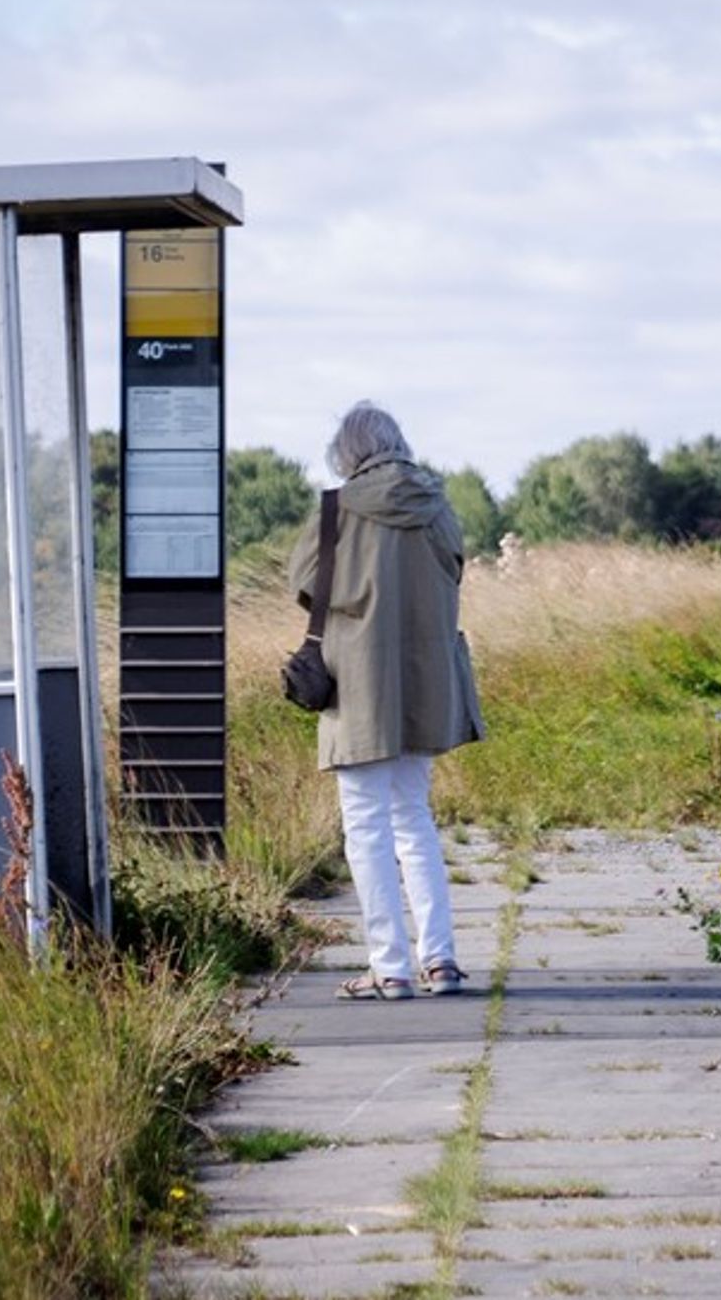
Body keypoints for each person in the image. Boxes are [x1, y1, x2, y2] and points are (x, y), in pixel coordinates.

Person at [287, 401, 485, 1000]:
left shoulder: (337, 510)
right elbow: (455, 570)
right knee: (414, 818)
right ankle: (440, 961)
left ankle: (389, 966)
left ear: (347, 453)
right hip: (425, 680)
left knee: (365, 825)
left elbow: (304, 582)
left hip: (359, 685)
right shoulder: (437, 507)